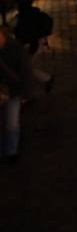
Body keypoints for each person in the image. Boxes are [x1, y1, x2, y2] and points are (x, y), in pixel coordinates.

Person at [0, 27, 33, 162]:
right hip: (7, 90)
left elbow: (25, 71)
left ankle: (11, 151)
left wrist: (25, 91)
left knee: (11, 122)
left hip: (13, 90)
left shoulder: (14, 48)